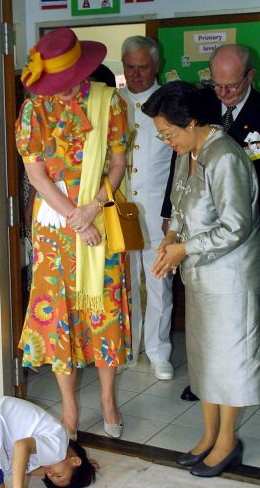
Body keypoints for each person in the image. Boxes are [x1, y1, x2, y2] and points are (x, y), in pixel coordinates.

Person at [15, 28, 131, 440]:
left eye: (68, 84)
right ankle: (68, 406)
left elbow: (117, 163)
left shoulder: (108, 102)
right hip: (55, 225)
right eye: (55, 86)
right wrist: (74, 218)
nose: (61, 93)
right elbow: (37, 175)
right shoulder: (34, 112)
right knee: (59, 314)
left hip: (98, 214)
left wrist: (93, 208)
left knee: (104, 312)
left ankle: (108, 400)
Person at [142, 80, 260, 477]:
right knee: (205, 359)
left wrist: (185, 250)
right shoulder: (188, 151)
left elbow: (236, 226)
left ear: (192, 121)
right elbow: (178, 203)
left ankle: (227, 440)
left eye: (168, 132)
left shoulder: (224, 156)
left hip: (230, 279)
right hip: (201, 277)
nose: (165, 140)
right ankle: (209, 434)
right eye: (160, 133)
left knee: (230, 362)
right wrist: (173, 237)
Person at [160, 44, 260, 401]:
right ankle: (209, 382)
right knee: (210, 327)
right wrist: (170, 222)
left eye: (231, 86)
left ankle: (239, 383)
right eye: (216, 85)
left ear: (249, 76)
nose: (223, 93)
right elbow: (181, 169)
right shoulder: (198, 111)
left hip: (247, 230)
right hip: (206, 235)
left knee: (244, 323)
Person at [118, 36, 174, 380]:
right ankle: (127, 347)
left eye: (142, 67)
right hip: (120, 210)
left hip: (158, 212)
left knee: (159, 285)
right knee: (123, 283)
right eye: (129, 67)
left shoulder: (170, 104)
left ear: (156, 66)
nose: (136, 74)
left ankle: (158, 351)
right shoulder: (113, 101)